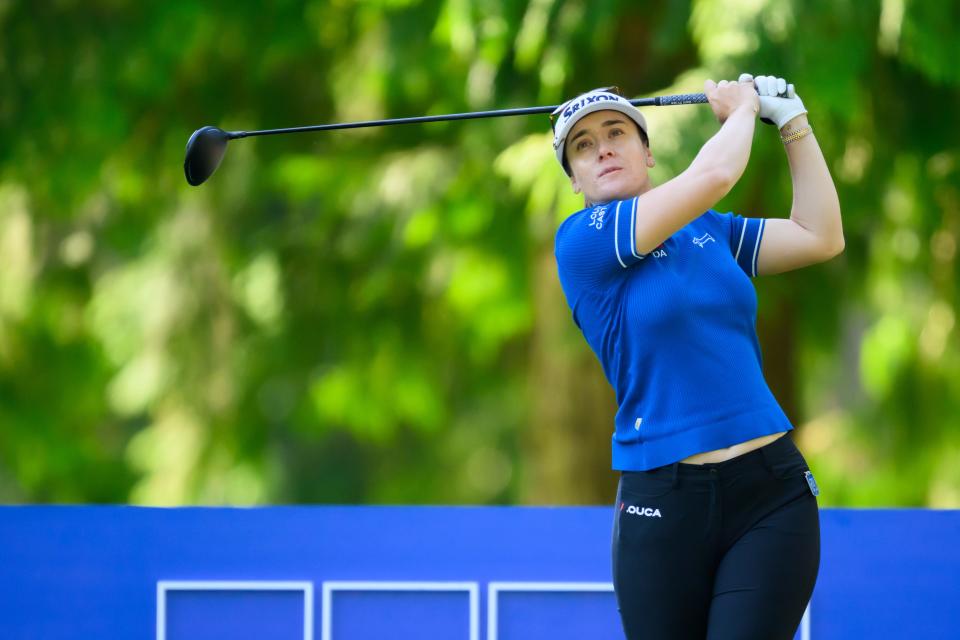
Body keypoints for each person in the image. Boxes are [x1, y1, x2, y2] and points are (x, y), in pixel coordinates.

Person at [551, 75, 843, 640]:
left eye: (617, 132)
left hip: (770, 492)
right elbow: (714, 174)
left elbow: (819, 235)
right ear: (574, 180)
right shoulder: (581, 242)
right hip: (662, 500)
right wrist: (743, 110)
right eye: (583, 146)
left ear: (648, 152)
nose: (603, 147)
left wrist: (792, 124)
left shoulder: (708, 231)